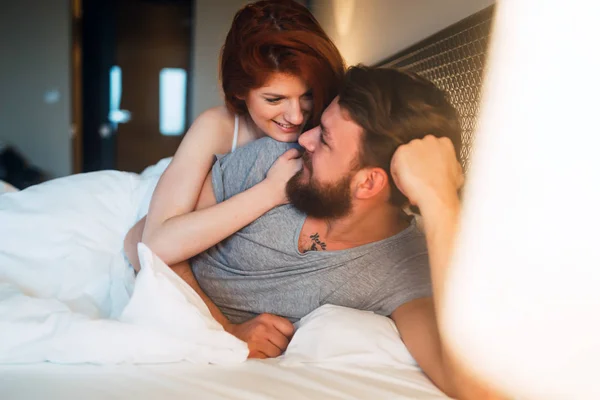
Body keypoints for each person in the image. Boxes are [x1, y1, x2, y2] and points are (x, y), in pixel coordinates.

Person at [128, 65, 502, 399]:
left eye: (324, 138)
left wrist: (440, 201)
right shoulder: (275, 161)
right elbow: (141, 243)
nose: (303, 138)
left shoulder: (403, 271)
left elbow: (477, 387)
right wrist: (224, 329)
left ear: (368, 183)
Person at [124, 0, 345, 271]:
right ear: (240, 91)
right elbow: (154, 243)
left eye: (307, 95)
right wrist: (271, 191)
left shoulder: (332, 122)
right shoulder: (218, 126)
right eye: (274, 99)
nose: (296, 117)